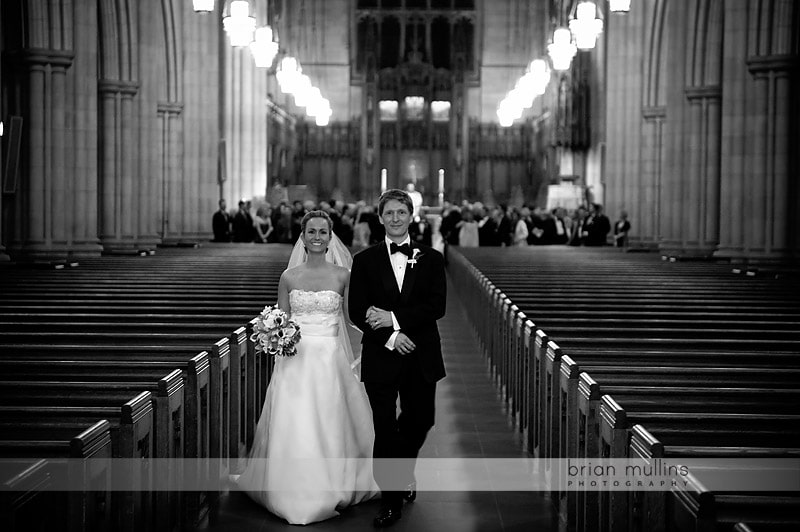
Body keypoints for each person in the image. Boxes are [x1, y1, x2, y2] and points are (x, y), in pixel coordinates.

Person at [235, 210, 378, 525]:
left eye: (322, 232)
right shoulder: (289, 277)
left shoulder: (342, 275)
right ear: (302, 236)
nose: (316, 237)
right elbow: (281, 319)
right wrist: (271, 332)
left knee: (328, 420)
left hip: (329, 358)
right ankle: (293, 487)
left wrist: (379, 334)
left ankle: (332, 481)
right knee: (295, 422)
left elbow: (353, 316)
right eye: (311, 232)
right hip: (295, 360)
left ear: (330, 237)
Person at [348, 189, 447, 528]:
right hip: (381, 355)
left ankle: (403, 471)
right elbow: (357, 311)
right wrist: (391, 336)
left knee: (421, 420)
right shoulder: (363, 261)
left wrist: (394, 319)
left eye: (400, 213)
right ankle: (390, 499)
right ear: (379, 217)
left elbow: (437, 306)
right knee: (385, 428)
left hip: (421, 353)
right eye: (388, 213)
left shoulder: (431, 258)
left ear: (410, 215)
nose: (394, 218)